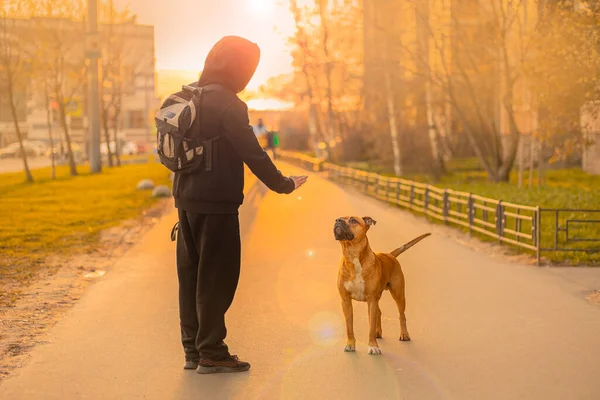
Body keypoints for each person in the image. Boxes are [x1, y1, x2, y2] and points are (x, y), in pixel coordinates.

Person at [172, 36, 308, 374]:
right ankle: (212, 352)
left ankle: (193, 351)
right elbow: (254, 154)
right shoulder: (230, 105)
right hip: (217, 204)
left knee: (190, 277)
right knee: (215, 280)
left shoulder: (189, 95)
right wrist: (285, 184)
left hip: (185, 200)